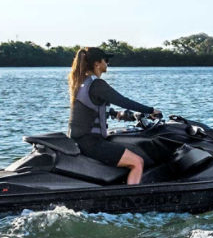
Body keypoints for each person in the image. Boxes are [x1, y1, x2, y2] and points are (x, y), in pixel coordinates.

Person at [67, 47, 162, 185]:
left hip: (82, 140)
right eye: (106, 60)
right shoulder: (97, 84)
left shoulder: (83, 83)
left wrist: (133, 116)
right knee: (137, 162)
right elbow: (123, 101)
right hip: (91, 142)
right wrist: (151, 110)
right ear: (97, 63)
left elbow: (101, 111)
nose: (108, 63)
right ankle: (132, 200)